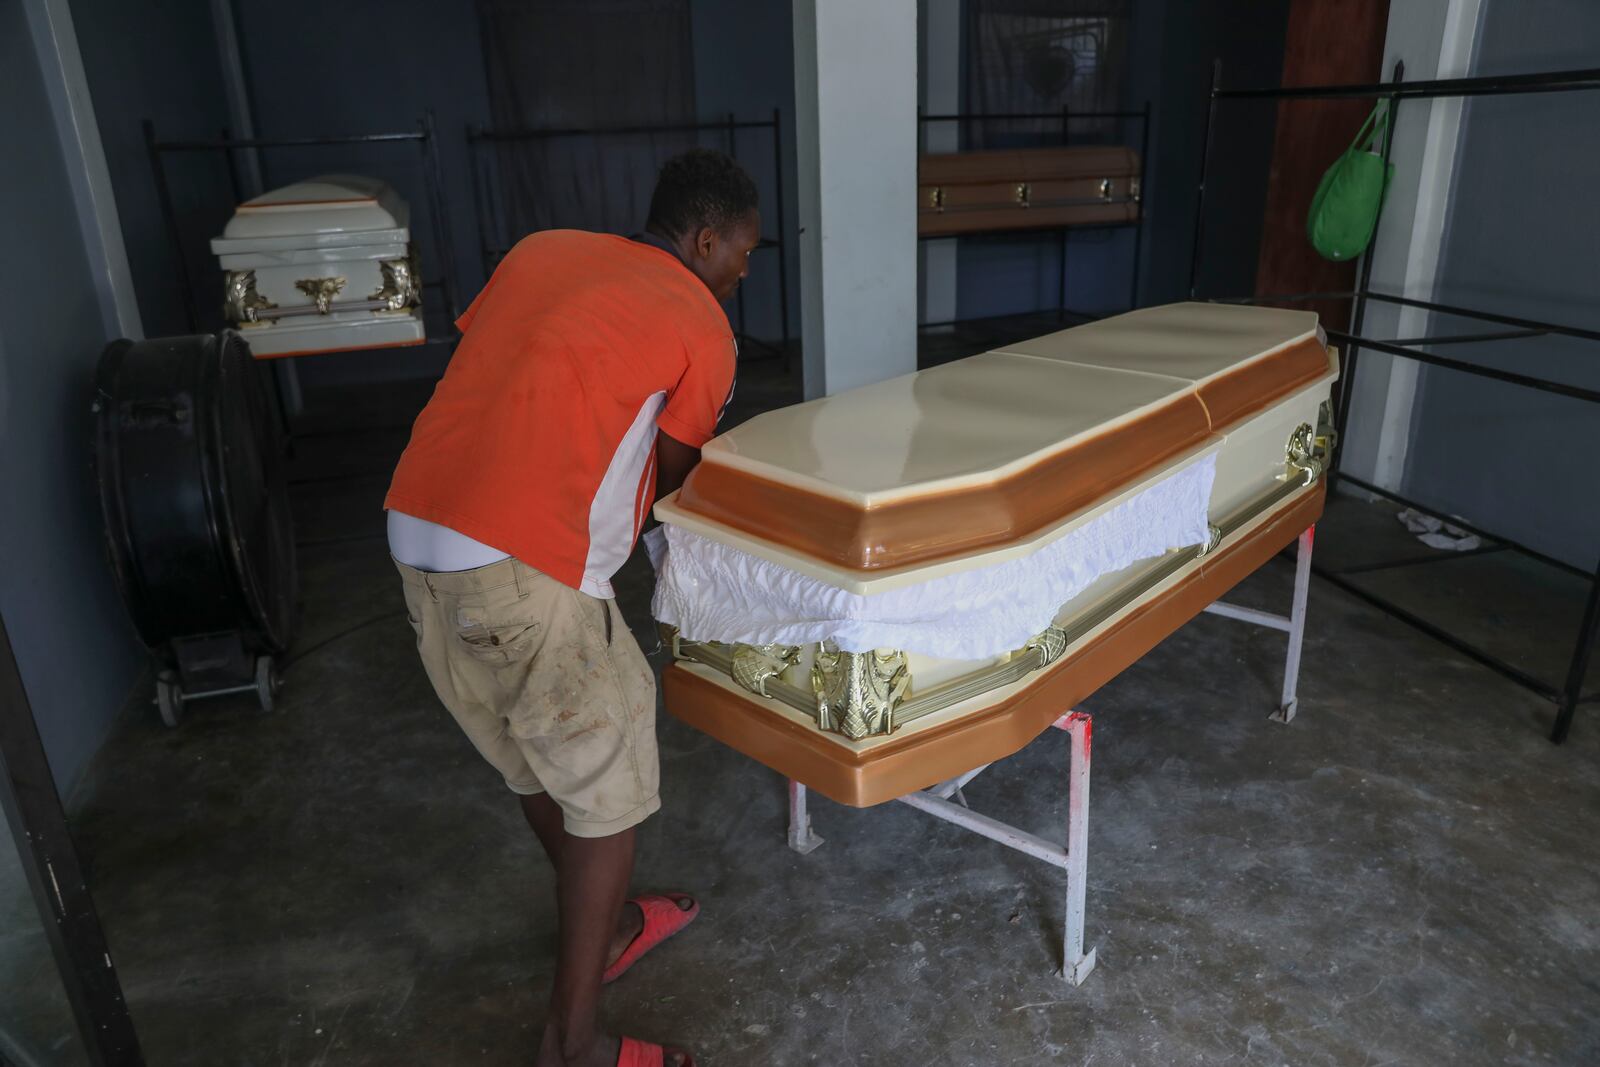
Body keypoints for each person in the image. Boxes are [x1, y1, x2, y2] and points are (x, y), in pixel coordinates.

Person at [384, 148, 759, 1067]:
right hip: (522, 563)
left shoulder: (540, 248)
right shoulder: (701, 325)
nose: (743, 273)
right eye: (742, 255)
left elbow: (516, 364)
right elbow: (676, 482)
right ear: (705, 239)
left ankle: (619, 919)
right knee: (610, 789)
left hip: (414, 537)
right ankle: (572, 1044)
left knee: (539, 763)